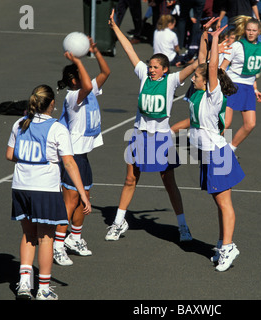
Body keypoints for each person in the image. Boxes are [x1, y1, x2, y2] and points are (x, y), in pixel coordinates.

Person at [106, 8, 198, 242]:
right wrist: (116, 26)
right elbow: (129, 49)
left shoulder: (172, 81)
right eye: (150, 65)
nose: (151, 68)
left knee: (169, 182)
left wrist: (209, 39)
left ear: (165, 69)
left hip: (161, 137)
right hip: (140, 134)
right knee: (130, 179)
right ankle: (118, 222)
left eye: (155, 66)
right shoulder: (143, 76)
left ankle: (183, 225)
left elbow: (197, 64)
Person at [6, 85, 91, 300]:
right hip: (44, 189)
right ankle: (43, 289)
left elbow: (10, 155)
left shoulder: (19, 124)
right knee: (45, 238)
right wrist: (82, 193)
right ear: (52, 104)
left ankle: (24, 284)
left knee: (28, 235)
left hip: (21, 186)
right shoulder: (57, 128)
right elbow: (70, 163)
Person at [188, 18, 245, 271]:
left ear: (206, 81)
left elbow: (210, 68)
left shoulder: (213, 95)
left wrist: (214, 42)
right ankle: (223, 244)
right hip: (207, 155)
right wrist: (205, 35)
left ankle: (229, 247)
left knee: (224, 203)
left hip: (218, 154)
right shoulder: (196, 93)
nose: (193, 78)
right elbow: (203, 63)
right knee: (217, 202)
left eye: (196, 77)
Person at [53, 37, 110, 266]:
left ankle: (74, 239)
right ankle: (57, 245)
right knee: (71, 201)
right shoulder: (72, 97)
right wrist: (77, 59)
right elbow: (87, 85)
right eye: (81, 73)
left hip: (82, 156)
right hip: (72, 156)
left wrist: (95, 52)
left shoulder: (88, 91)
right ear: (74, 79)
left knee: (83, 200)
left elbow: (106, 72)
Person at [220, 16, 261, 152]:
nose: (251, 33)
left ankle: (230, 149)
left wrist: (255, 89)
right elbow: (222, 68)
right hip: (232, 85)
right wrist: (221, 85)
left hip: (248, 88)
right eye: (248, 30)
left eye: (254, 30)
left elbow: (253, 73)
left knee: (250, 124)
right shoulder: (237, 46)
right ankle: (212, 150)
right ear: (244, 31)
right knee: (226, 124)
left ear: (259, 31)